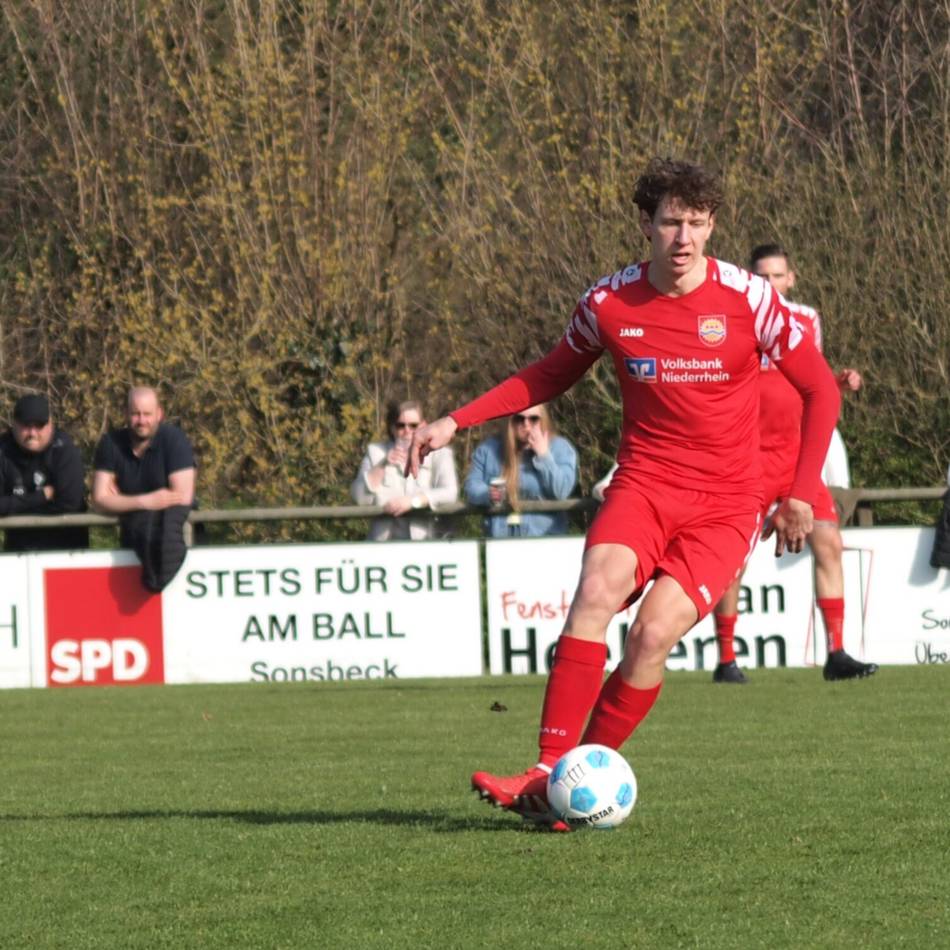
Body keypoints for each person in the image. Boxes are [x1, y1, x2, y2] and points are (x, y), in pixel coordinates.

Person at [408, 158, 841, 831]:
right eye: (671, 221)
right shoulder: (609, 303)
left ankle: (571, 787)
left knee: (649, 638)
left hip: (728, 504)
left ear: (712, 225)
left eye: (697, 223)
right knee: (595, 591)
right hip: (645, 483)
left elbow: (822, 387)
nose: (684, 237)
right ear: (646, 223)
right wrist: (454, 421)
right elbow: (549, 374)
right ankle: (548, 772)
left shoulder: (750, 299)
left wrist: (802, 490)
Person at [711, 244, 878, 684]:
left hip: (795, 458)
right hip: (746, 456)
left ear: (792, 278)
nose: (770, 284)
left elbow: (810, 379)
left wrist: (839, 381)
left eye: (777, 276)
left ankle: (837, 652)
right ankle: (726, 659)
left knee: (829, 543)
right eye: (761, 276)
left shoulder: (807, 319)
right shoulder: (732, 316)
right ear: (750, 278)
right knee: (732, 559)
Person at [92, 386, 196, 592]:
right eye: (135, 414)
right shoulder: (110, 443)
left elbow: (182, 497)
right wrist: (145, 501)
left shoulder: (174, 440)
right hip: (129, 551)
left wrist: (122, 501)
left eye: (147, 414)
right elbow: (99, 500)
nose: (141, 420)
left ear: (159, 414)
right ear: (125, 414)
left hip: (180, 551)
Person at [464, 404, 578, 537]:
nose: (526, 424)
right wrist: (488, 494)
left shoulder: (560, 448)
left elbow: (562, 491)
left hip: (545, 539)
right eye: (519, 419)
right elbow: (471, 488)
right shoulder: (488, 450)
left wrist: (543, 455)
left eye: (533, 419)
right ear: (510, 420)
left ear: (543, 420)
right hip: (500, 540)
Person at [351, 399, 458, 540]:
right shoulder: (375, 452)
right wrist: (382, 465)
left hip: (428, 543)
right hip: (384, 545)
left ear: (424, 425)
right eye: (400, 425)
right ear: (392, 428)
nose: (407, 431)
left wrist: (413, 502)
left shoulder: (441, 454)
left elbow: (450, 493)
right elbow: (358, 497)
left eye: (413, 425)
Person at [0, 393, 89, 551]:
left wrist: (13, 505)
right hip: (19, 554)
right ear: (14, 424)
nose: (32, 433)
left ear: (50, 425)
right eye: (26, 425)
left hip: (67, 553)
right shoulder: (3, 450)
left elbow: (69, 504)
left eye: (39, 425)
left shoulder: (64, 449)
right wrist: (41, 497)